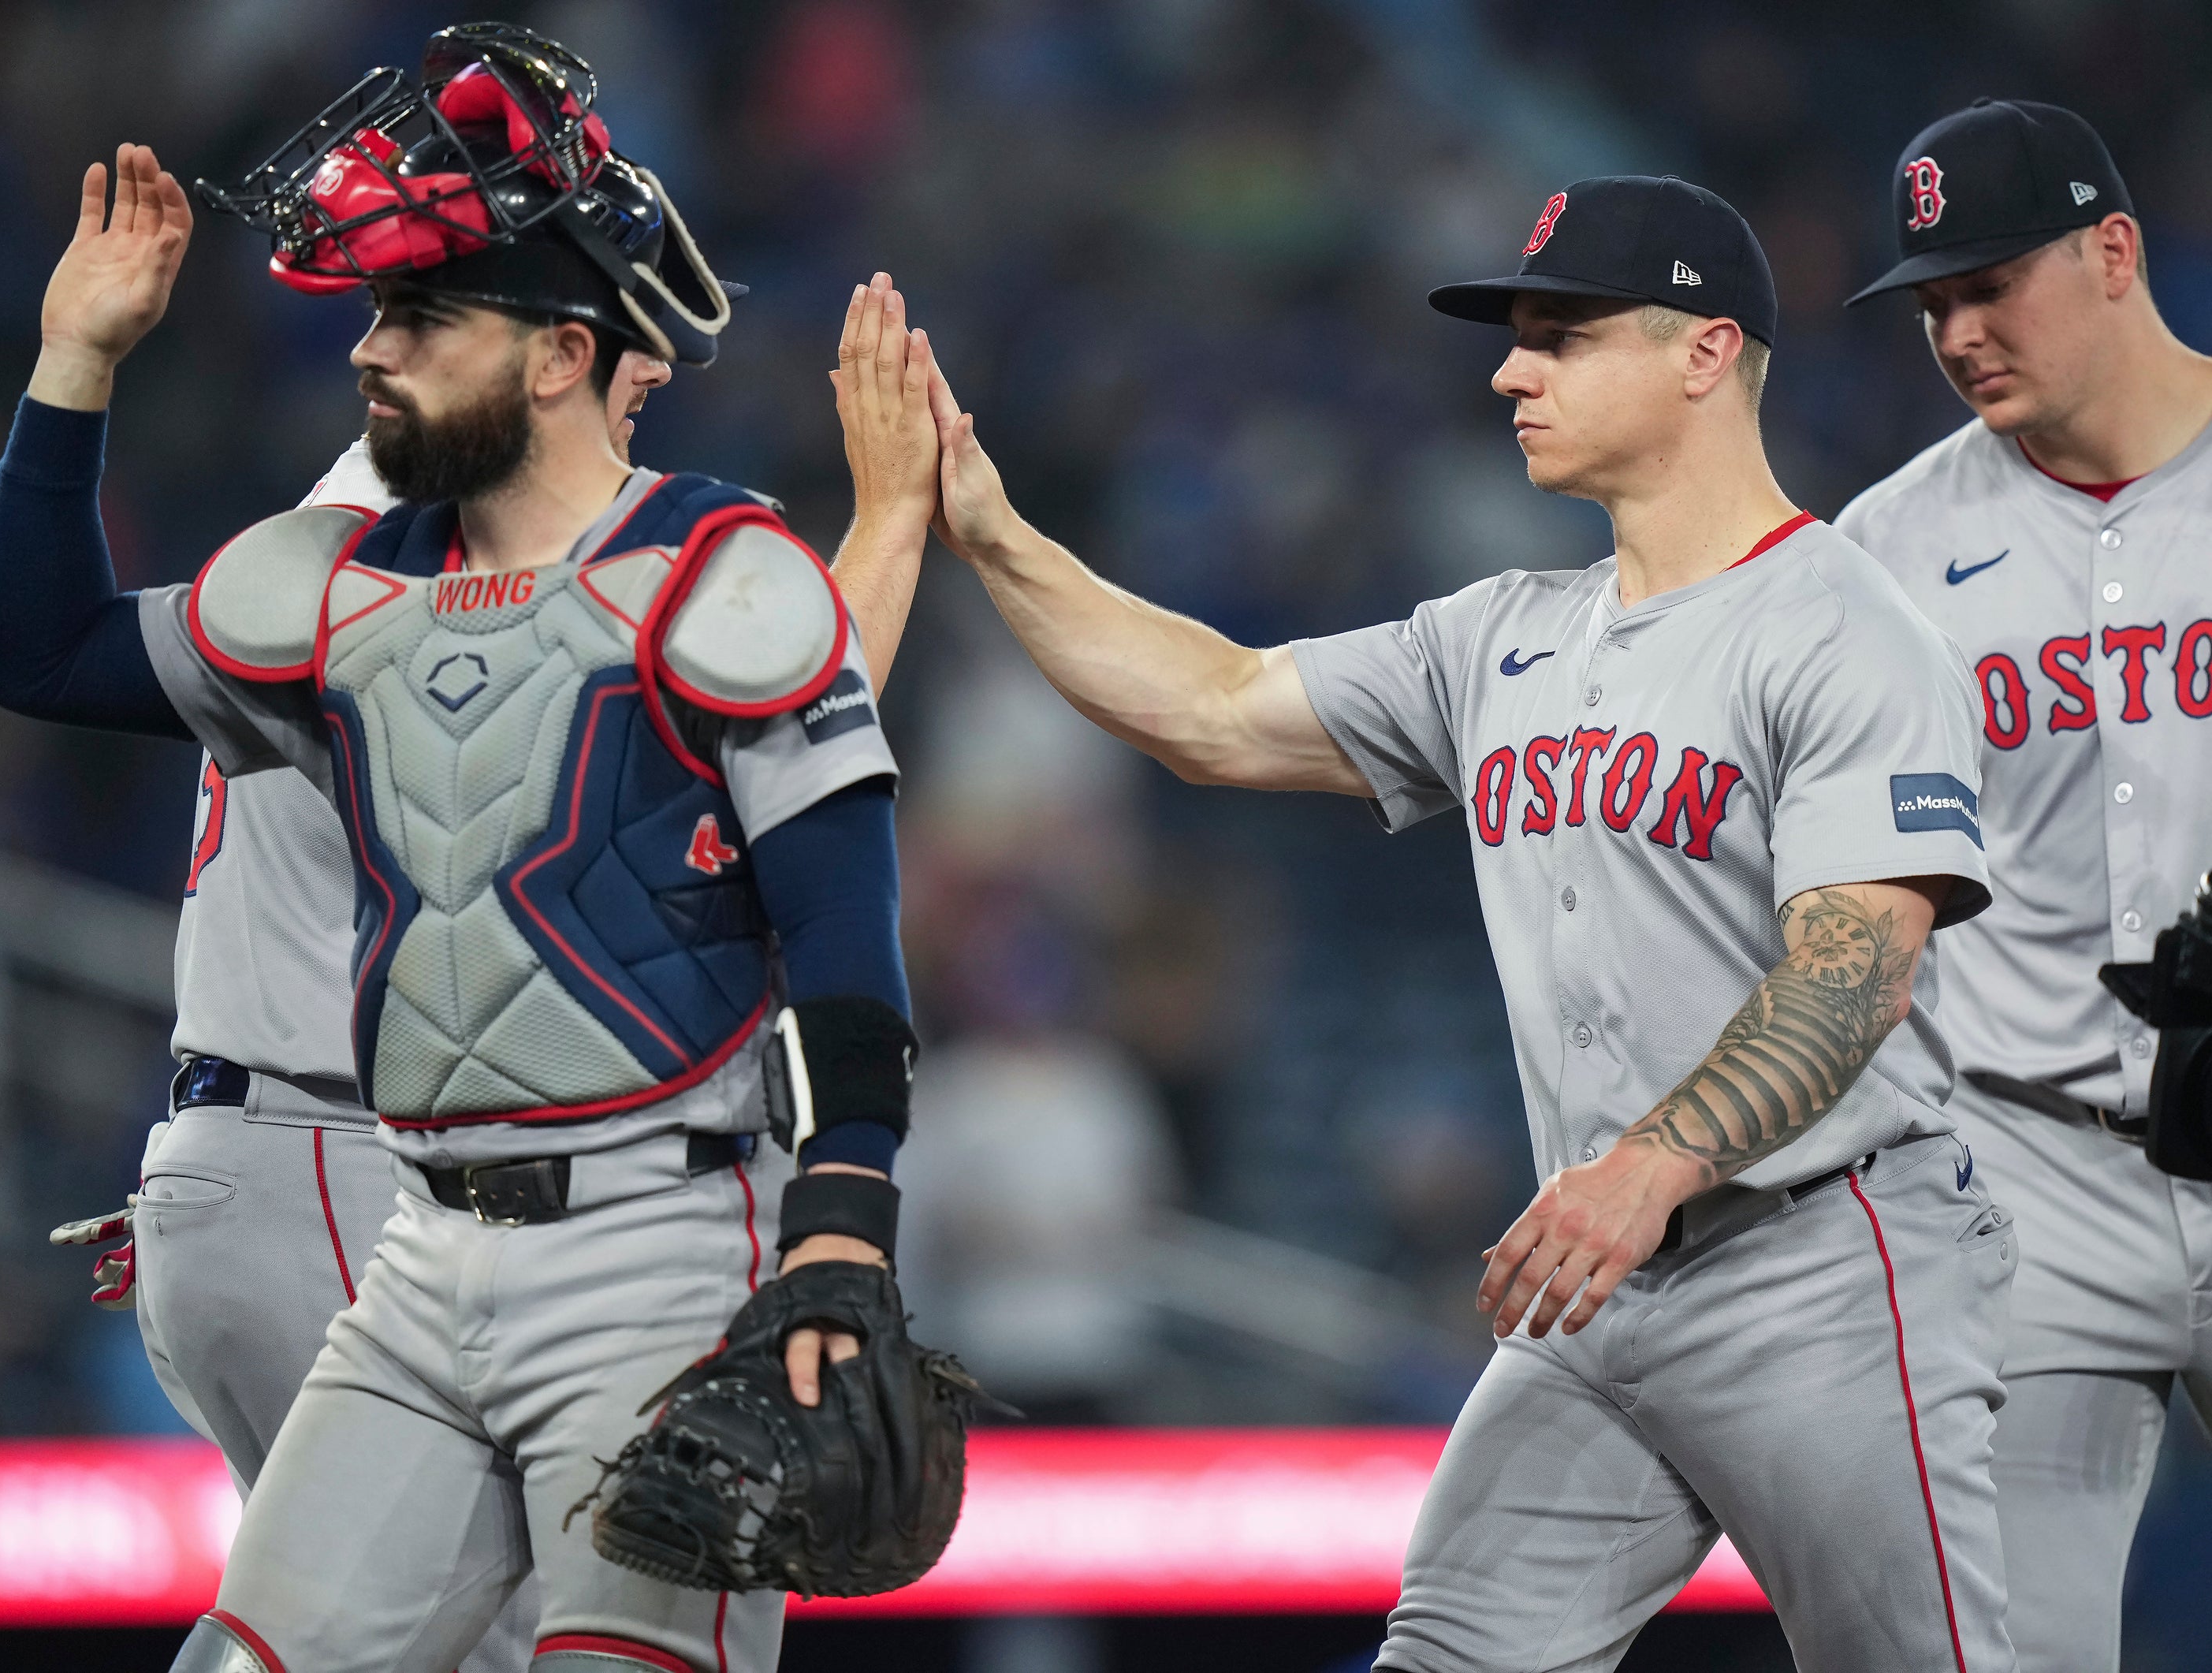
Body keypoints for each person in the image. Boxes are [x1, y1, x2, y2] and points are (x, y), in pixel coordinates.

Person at [836, 176, 2020, 1670]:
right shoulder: (1502, 633)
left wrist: (1651, 1162)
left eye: (1561, 336)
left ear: (1706, 353)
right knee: (1447, 1654)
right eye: (1517, 337)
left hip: (1830, 1273)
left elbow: (1858, 968)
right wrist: (993, 532)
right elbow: (1211, 707)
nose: (1510, 371)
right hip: (1601, 1287)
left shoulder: (1847, 626)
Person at [0, 26, 915, 1673]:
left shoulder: (722, 570)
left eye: (420, 316)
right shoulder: (337, 590)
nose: (373, 349)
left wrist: (846, 1216)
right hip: (419, 1254)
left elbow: (843, 926)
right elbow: (42, 651)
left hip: (658, 1239)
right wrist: (76, 361)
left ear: (564, 353)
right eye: (373, 314)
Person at [1837, 98, 2212, 1673]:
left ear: (2114, 251)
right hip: (2039, 1176)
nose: (1960, 330)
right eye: (1932, 299)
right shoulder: (1889, 554)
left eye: (1993, 282)